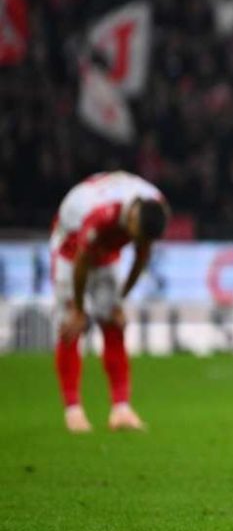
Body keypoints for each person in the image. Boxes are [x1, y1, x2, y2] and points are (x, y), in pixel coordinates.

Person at [51, 171, 170, 433]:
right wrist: (79, 310)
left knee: (115, 323)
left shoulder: (154, 208)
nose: (139, 243)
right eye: (137, 236)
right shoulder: (100, 216)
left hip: (108, 252)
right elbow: (81, 262)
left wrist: (120, 300)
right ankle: (73, 411)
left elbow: (142, 255)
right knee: (71, 326)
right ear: (131, 219)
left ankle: (121, 410)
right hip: (71, 248)